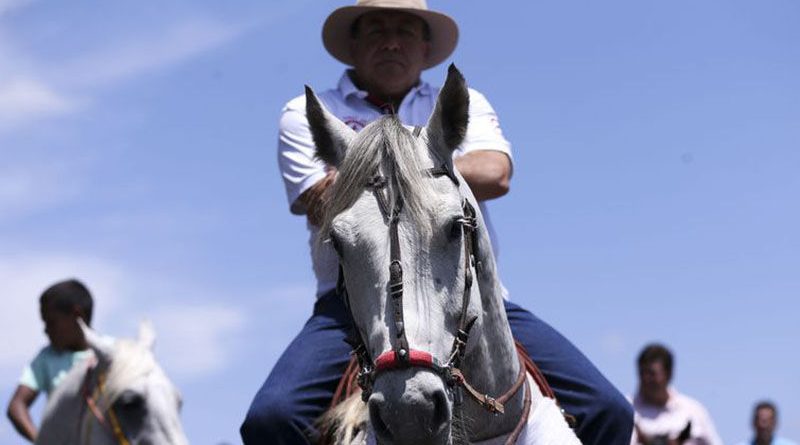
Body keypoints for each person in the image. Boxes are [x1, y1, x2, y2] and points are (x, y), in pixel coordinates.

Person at [241, 1, 633, 444]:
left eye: (405, 31)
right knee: (271, 420)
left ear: (426, 47)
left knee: (608, 411)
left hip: (468, 293)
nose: (392, 42)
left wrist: (390, 170)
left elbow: (496, 171)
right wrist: (427, 167)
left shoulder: (461, 103)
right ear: (353, 43)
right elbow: (315, 198)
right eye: (377, 29)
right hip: (350, 303)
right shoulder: (308, 112)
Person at [5, 278, 111, 443]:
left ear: (78, 315)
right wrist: (42, 441)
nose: (46, 330)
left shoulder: (112, 353)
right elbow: (16, 406)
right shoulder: (47, 358)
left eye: (51, 322)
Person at [630, 343, 723, 445]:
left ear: (669, 374)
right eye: (642, 373)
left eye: (652, 374)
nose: (646, 379)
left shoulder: (693, 412)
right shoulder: (626, 411)